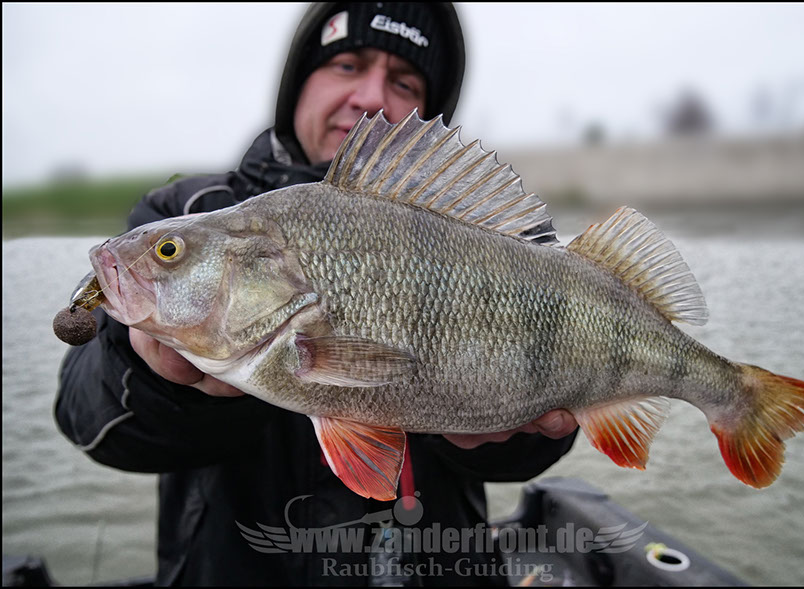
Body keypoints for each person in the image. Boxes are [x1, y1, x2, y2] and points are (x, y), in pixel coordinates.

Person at [55, 3, 578, 586]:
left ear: (429, 116)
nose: (370, 97)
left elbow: (545, 433)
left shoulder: (495, 243)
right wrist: (158, 378)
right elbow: (90, 422)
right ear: (298, 83)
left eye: (404, 81)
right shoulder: (188, 213)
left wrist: (497, 430)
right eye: (348, 65)